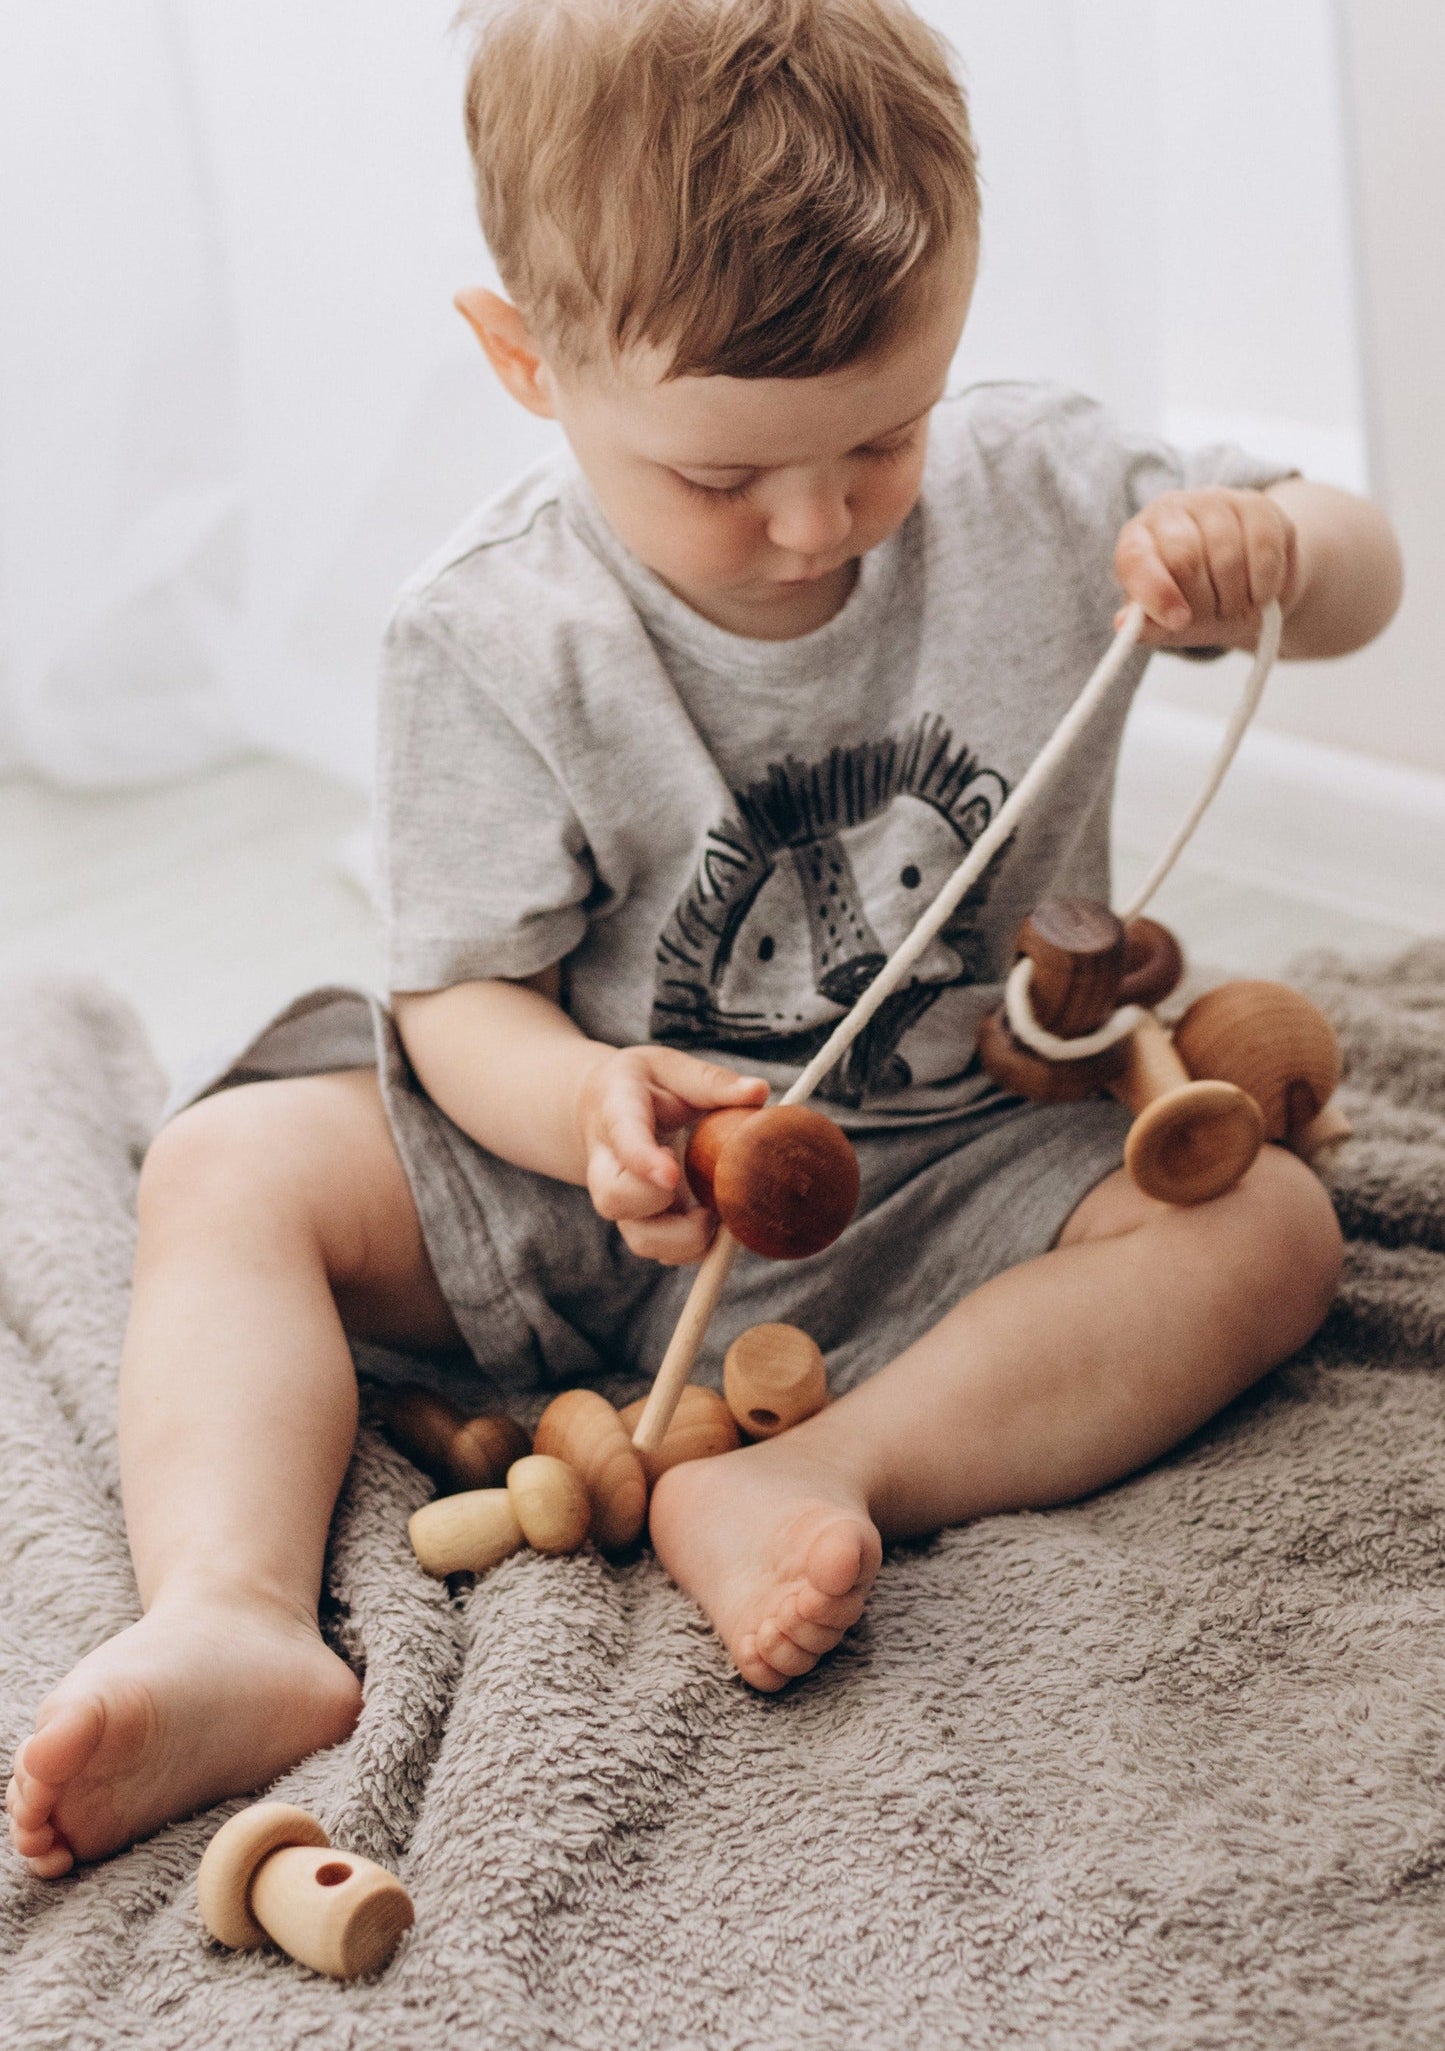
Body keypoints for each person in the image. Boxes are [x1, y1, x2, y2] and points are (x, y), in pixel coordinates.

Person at [7, 0, 1402, 1877]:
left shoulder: (1048, 488)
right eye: (720, 477)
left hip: (962, 1159)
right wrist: (585, 1101)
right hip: (597, 1198)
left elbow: (1354, 582)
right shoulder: (497, 637)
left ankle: (821, 1466)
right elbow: (458, 1004)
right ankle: (230, 1609)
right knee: (233, 1165)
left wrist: (1282, 548)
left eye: (880, 437)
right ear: (525, 361)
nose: (815, 523)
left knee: (1268, 1232)